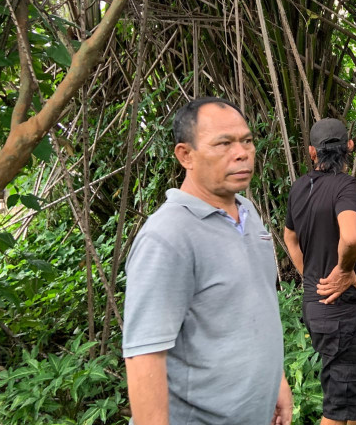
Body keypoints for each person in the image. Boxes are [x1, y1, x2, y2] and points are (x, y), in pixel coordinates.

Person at [123, 98, 292, 425]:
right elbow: (144, 356)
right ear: (186, 155)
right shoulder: (167, 237)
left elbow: (250, 311)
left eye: (246, 141)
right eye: (224, 143)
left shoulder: (248, 213)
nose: (242, 152)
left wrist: (276, 381)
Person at [283, 118, 356, 425]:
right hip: (339, 309)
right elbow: (351, 236)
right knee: (337, 410)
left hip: (318, 306)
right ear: (349, 146)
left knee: (352, 396)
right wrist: (344, 270)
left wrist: (309, 276)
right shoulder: (345, 186)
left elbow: (289, 237)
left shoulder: (298, 188)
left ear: (311, 152)